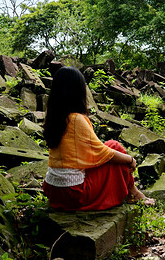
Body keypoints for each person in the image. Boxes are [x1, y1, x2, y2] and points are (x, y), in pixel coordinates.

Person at [42, 66, 154, 211]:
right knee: (114, 146)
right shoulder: (75, 119)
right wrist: (130, 160)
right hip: (73, 193)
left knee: (112, 148)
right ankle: (134, 193)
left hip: (53, 190)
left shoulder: (53, 117)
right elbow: (103, 152)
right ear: (78, 91)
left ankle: (133, 193)